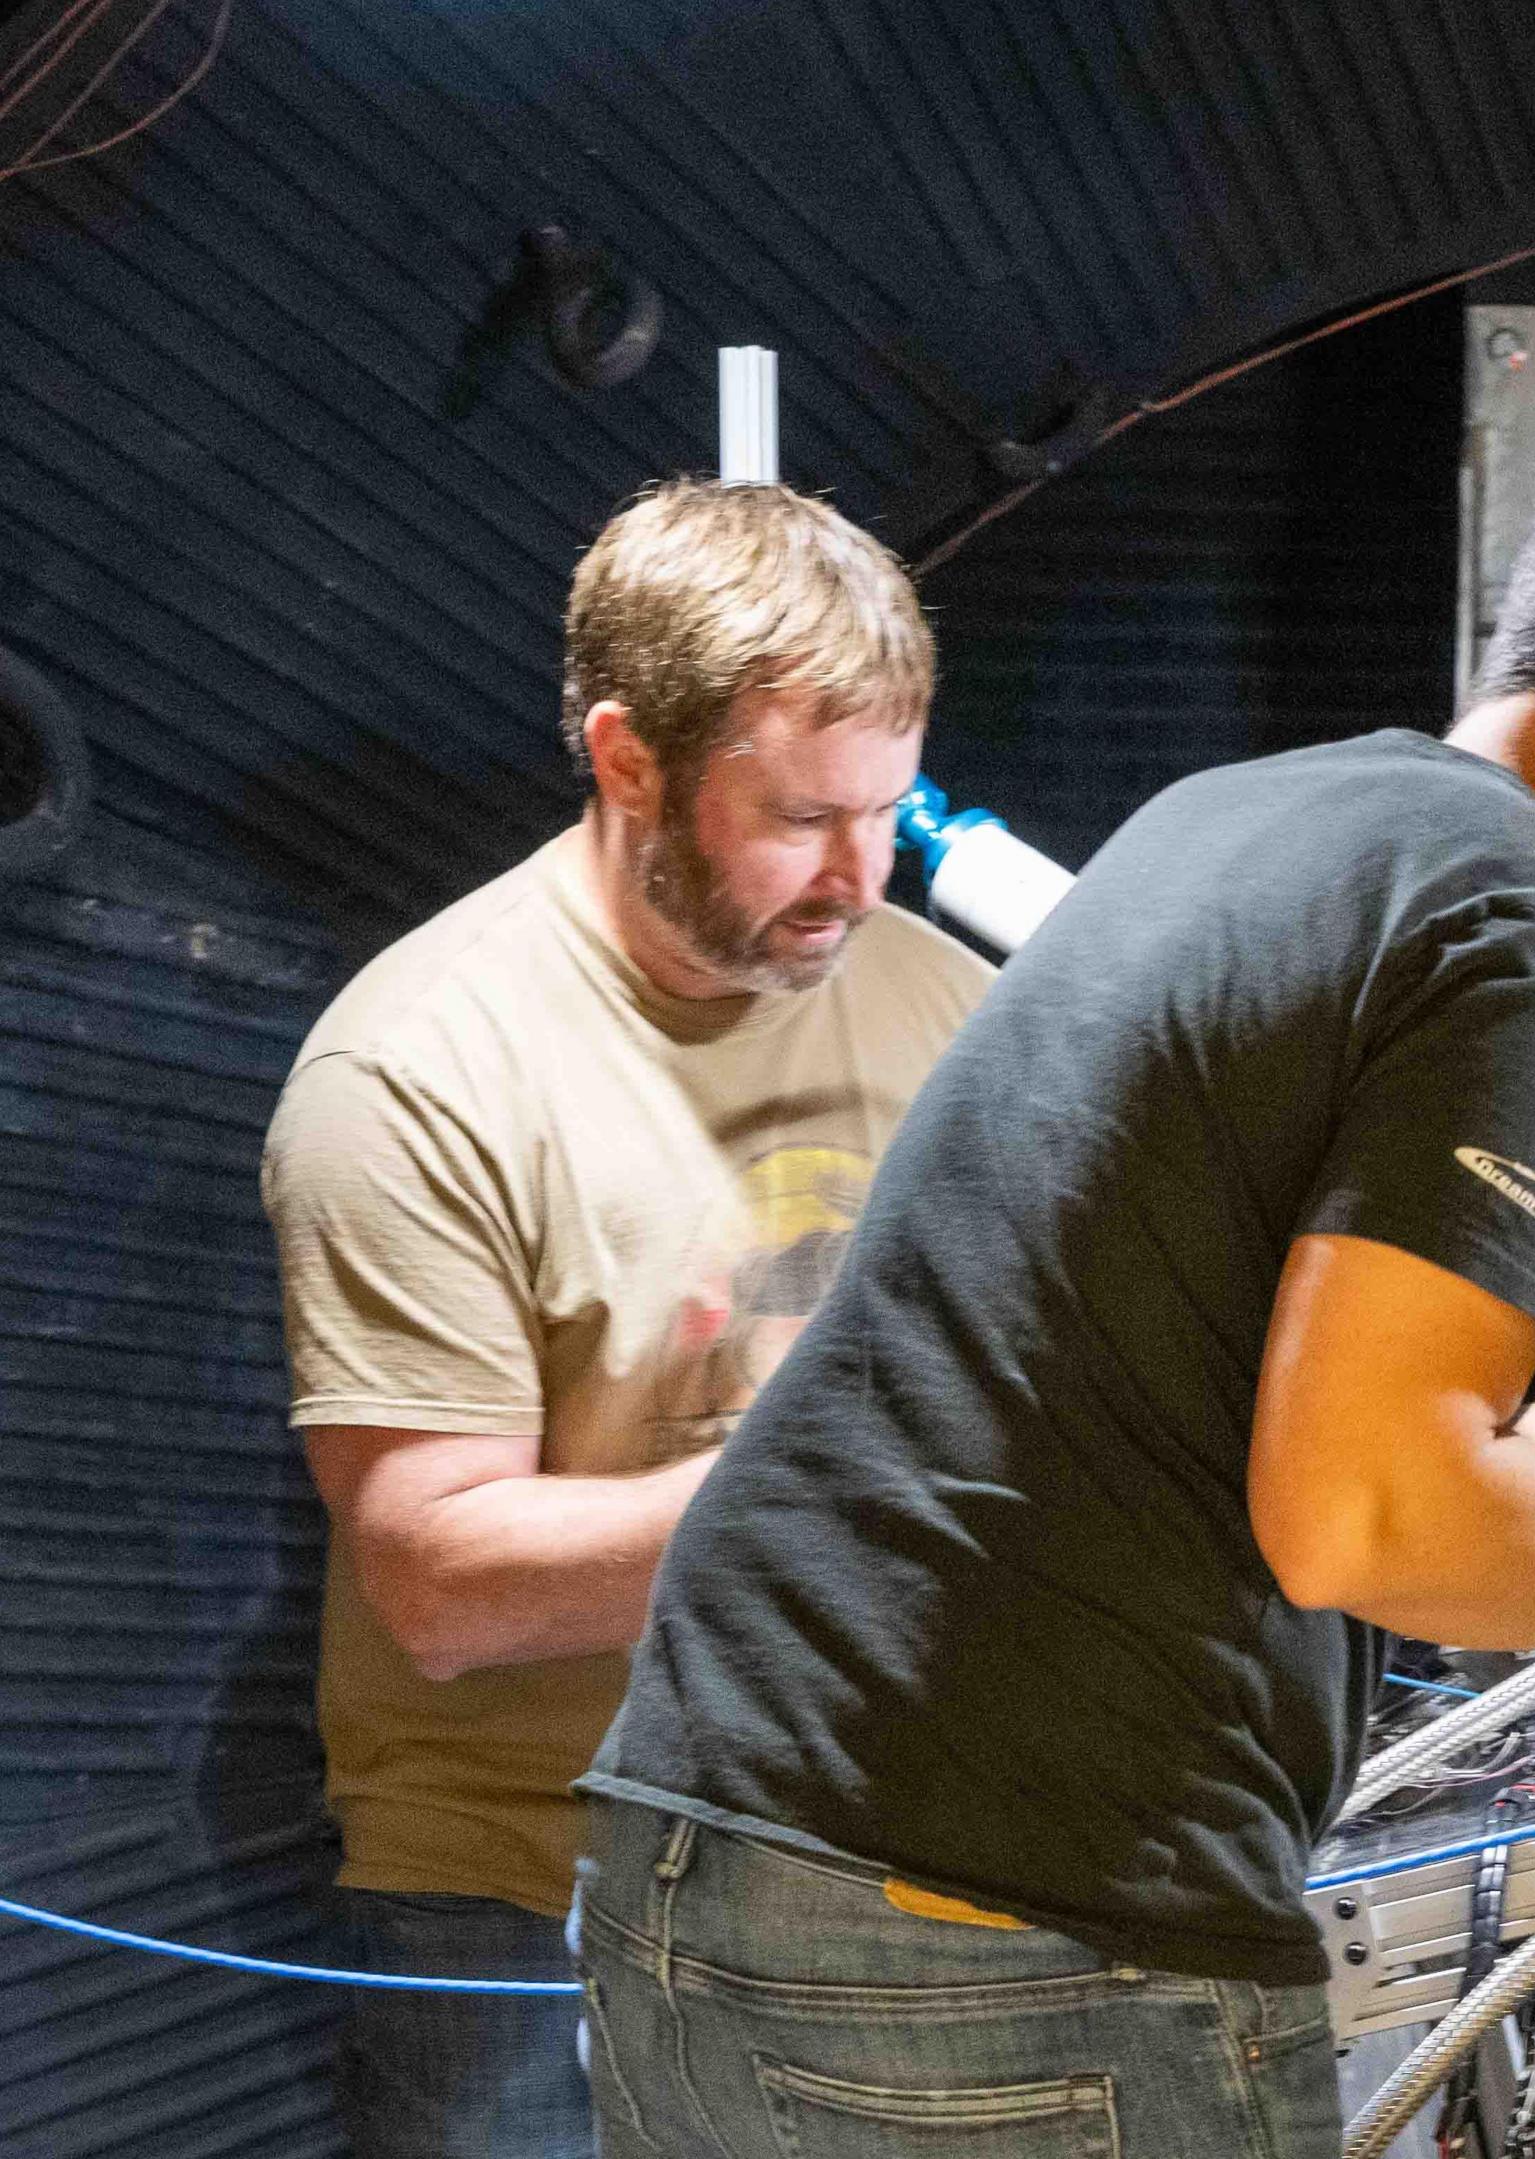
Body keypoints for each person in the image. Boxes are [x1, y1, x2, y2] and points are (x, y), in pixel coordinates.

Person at [573, 374, 1535, 2157]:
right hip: (997, 1945)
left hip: (705, 1859)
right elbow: (1370, 1516)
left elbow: (1419, 1396)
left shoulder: (1250, 822)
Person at [260, 481, 988, 2158]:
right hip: (535, 1901)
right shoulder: (419, 1073)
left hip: (887, 1872)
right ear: (627, 757)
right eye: (801, 816)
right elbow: (437, 1583)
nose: (857, 877)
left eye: (891, 809)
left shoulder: (951, 1004)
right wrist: (850, 1489)